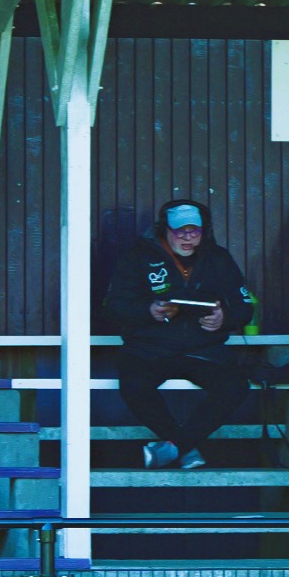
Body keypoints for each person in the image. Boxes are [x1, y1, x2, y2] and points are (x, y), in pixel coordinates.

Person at [102, 200, 256, 470]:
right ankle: (184, 447)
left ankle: (173, 448)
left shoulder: (218, 258)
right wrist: (148, 311)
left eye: (194, 231)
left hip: (203, 348)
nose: (187, 238)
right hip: (149, 348)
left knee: (235, 387)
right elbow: (113, 307)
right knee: (134, 385)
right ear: (165, 230)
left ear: (203, 231)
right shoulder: (138, 256)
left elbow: (245, 306)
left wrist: (225, 318)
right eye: (179, 231)